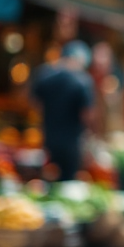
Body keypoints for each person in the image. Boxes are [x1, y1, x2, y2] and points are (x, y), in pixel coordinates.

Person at [31, 40, 95, 180]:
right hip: (72, 143)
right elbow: (87, 115)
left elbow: (35, 105)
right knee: (67, 183)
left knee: (46, 180)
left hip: (48, 139)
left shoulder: (45, 74)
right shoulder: (83, 81)